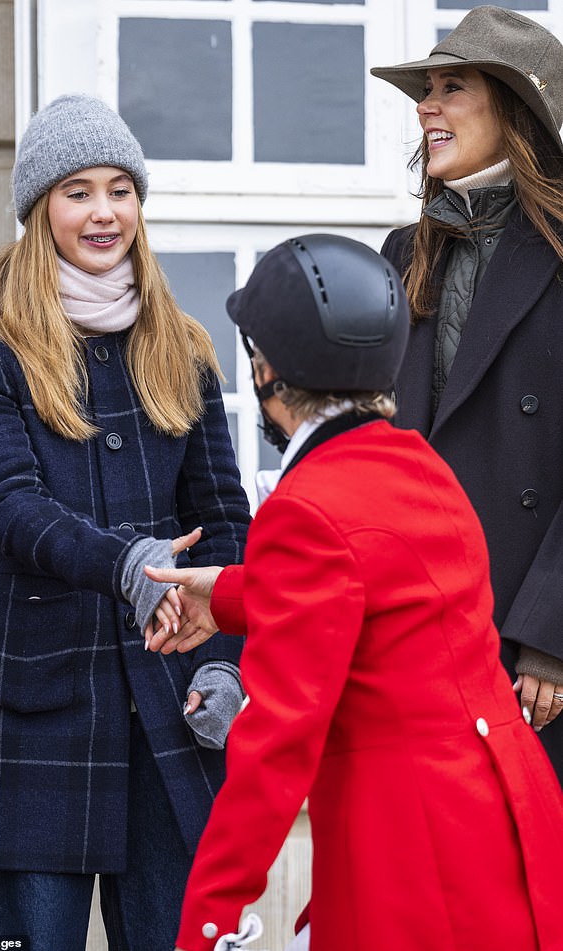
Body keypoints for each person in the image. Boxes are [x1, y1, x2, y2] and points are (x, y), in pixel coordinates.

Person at [143, 233, 563, 951]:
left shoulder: (304, 507)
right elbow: (376, 587)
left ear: (269, 371)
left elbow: (273, 748)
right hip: (511, 834)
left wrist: (205, 923)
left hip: (418, 865)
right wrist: (232, 594)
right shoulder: (422, 467)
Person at [0, 94, 251, 951]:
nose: (104, 211)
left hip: (169, 723)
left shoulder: (180, 346)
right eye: (77, 191)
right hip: (31, 717)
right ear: (41, 209)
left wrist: (224, 666)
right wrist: (129, 562)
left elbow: (224, 524)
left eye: (121, 188)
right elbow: (9, 507)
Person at [370, 4, 563, 782]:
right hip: (417, 629)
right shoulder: (402, 252)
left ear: (515, 110)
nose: (426, 106)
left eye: (452, 87)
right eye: (426, 89)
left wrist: (552, 632)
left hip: (530, 644)